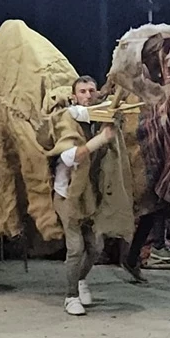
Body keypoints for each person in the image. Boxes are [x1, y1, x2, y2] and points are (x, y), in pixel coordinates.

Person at [52, 76, 115, 316]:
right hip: (67, 194)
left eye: (91, 91)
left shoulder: (101, 121)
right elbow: (70, 156)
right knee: (76, 247)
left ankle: (80, 280)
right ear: (74, 95)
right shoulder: (65, 119)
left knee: (96, 246)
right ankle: (70, 296)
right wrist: (101, 140)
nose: (88, 96)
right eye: (82, 91)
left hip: (91, 196)